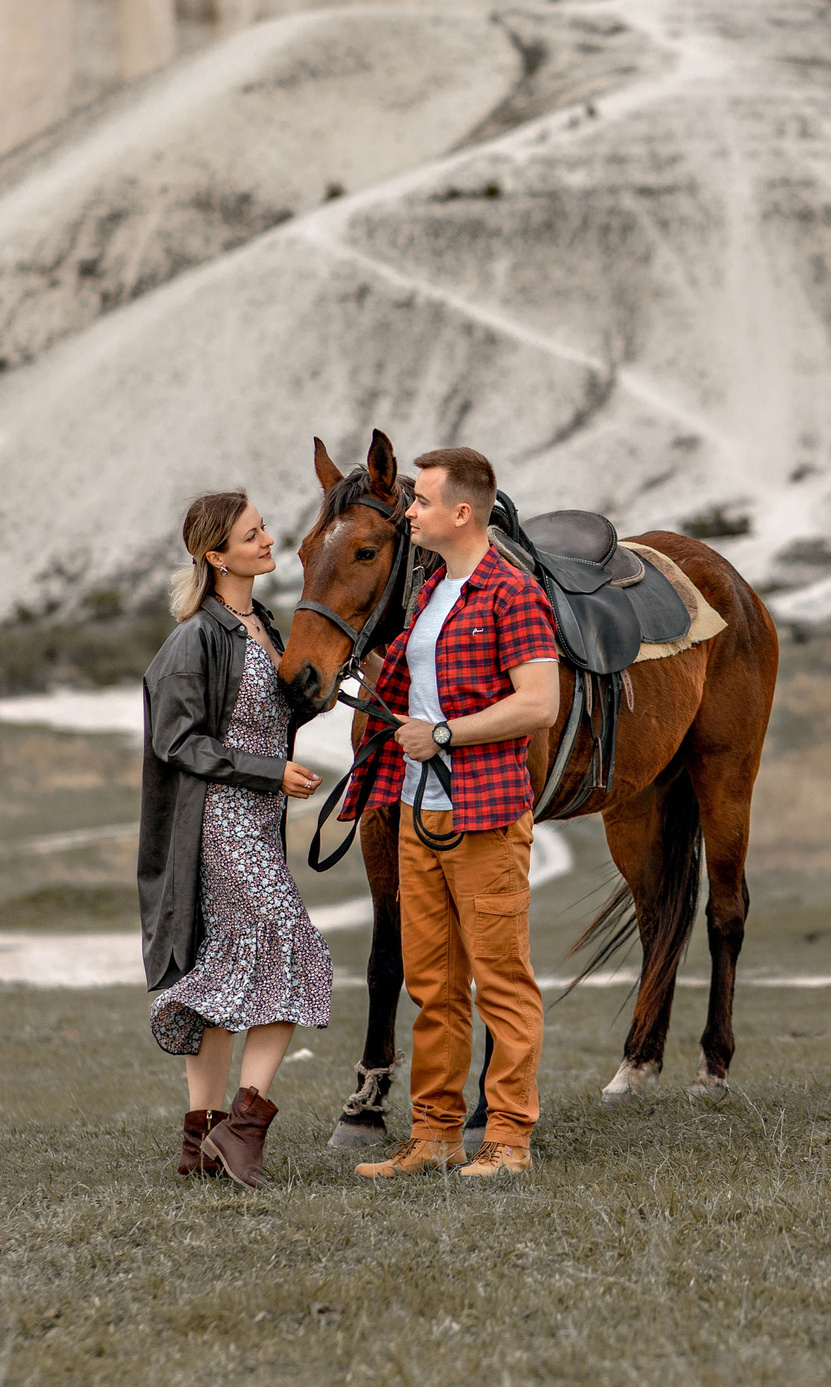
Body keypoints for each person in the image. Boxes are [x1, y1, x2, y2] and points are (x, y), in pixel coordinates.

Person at [351, 447, 562, 1180]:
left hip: (485, 813)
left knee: (501, 981)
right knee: (433, 984)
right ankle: (435, 1134)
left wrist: (441, 735)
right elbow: (412, 691)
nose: (410, 511)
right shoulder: (432, 592)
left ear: (461, 512)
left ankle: (507, 1139)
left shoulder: (512, 592)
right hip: (418, 812)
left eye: (423, 501)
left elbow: (540, 702)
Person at [138, 491, 328, 1187]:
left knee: (225, 970)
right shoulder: (196, 637)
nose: (268, 539)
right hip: (217, 817)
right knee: (293, 945)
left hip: (256, 818)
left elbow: (277, 705)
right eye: (253, 534)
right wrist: (267, 770)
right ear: (216, 555)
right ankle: (242, 1130)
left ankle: (198, 1142)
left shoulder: (263, 624)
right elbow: (176, 740)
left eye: (264, 528)